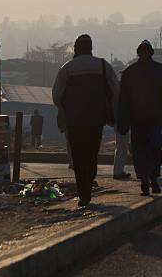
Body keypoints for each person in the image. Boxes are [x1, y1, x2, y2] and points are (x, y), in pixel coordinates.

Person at [52, 34, 119, 207]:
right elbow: (115, 91)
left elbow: (56, 95)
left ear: (75, 48)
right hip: (96, 119)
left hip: (74, 121)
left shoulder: (67, 69)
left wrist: (64, 110)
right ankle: (89, 181)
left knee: (78, 155)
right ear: (91, 47)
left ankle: (84, 192)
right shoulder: (103, 66)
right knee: (91, 153)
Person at [118, 40, 162, 196]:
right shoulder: (159, 71)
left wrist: (122, 122)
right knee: (152, 150)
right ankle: (151, 179)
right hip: (152, 120)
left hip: (140, 121)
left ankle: (146, 180)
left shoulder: (130, 73)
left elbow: (123, 101)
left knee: (142, 152)